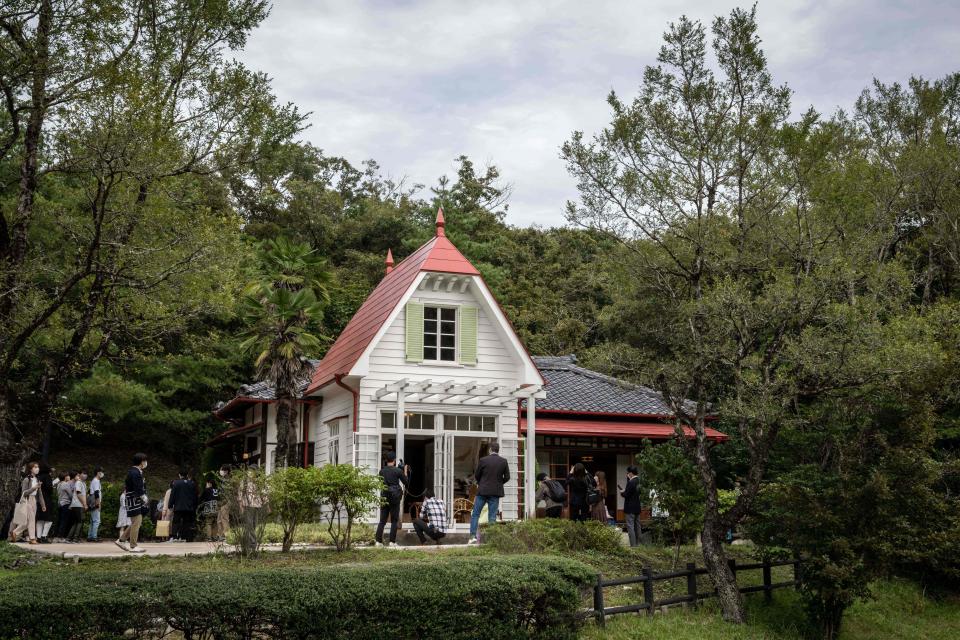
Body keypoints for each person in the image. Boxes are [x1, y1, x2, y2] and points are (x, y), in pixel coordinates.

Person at [469, 441, 510, 544]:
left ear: (490, 449)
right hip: (495, 492)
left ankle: (472, 537)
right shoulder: (503, 461)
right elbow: (508, 477)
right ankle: (490, 539)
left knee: (476, 514)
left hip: (482, 491)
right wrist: (499, 483)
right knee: (492, 516)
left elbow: (477, 475)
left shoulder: (483, 460)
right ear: (498, 450)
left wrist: (481, 483)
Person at [375, 452, 410, 547]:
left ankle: (378, 542)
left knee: (382, 520)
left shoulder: (381, 471)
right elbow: (406, 482)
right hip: (394, 497)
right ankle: (392, 542)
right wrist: (405, 470)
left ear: (386, 460)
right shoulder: (398, 471)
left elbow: (382, 482)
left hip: (384, 496)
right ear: (394, 460)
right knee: (394, 520)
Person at [116, 453, 149, 553]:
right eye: (145, 461)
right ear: (141, 462)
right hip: (133, 500)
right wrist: (144, 497)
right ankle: (133, 546)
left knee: (135, 522)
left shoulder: (134, 471)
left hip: (132, 500)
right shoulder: (135, 472)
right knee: (137, 522)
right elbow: (137, 487)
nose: (146, 463)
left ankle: (121, 540)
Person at [9, 462, 46, 544]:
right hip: (27, 500)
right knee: (32, 520)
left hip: (34, 501)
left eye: (38, 467)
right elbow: (24, 493)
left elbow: (40, 494)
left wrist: (43, 504)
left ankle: (15, 532)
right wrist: (34, 488)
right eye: (35, 467)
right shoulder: (26, 479)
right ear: (30, 469)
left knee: (28, 521)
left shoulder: (37, 479)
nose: (37, 469)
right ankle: (32, 538)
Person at [170, 469, 198, 542]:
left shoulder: (176, 483)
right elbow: (194, 496)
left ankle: (175, 537)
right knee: (186, 522)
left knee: (176, 522)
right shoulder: (191, 483)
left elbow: (172, 495)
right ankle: (184, 537)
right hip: (188, 507)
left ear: (179, 475)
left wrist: (170, 505)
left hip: (178, 506)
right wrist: (194, 506)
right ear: (187, 475)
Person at [620, 466, 642, 547]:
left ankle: (633, 545)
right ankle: (639, 544)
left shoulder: (631, 482)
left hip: (630, 508)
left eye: (628, 473)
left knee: (630, 527)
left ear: (631, 473)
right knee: (638, 526)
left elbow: (626, 494)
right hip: (637, 507)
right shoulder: (639, 481)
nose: (627, 474)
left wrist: (622, 492)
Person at [35, 464, 55, 543]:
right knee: (49, 519)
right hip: (46, 499)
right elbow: (49, 488)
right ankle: (44, 536)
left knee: (40, 519)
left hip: (38, 499)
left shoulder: (38, 477)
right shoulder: (47, 476)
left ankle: (39, 537)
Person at [66, 470, 88, 542]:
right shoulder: (79, 483)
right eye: (83, 473)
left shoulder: (82, 483)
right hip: (78, 505)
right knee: (79, 521)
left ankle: (69, 538)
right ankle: (75, 538)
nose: (85, 475)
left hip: (79, 504)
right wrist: (84, 504)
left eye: (86, 474)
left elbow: (84, 495)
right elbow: (79, 494)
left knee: (77, 522)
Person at [54, 471, 74, 540]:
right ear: (65, 477)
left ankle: (57, 535)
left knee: (60, 520)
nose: (69, 477)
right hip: (66, 503)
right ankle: (61, 536)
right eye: (68, 476)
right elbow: (71, 495)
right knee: (64, 521)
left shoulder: (59, 484)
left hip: (60, 503)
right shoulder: (65, 484)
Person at [87, 467, 103, 542]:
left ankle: (90, 536)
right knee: (97, 520)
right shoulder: (96, 481)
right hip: (95, 502)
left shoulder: (94, 480)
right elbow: (96, 493)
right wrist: (98, 503)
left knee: (92, 520)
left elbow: (90, 491)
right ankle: (94, 536)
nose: (102, 474)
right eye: (101, 472)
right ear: (98, 473)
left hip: (92, 502)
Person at [215, 465, 231, 541]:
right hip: (221, 502)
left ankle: (227, 536)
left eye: (221, 470)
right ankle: (220, 535)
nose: (220, 472)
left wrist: (222, 502)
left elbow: (227, 493)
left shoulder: (228, 480)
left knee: (224, 519)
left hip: (225, 501)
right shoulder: (223, 479)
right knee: (219, 519)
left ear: (226, 471)